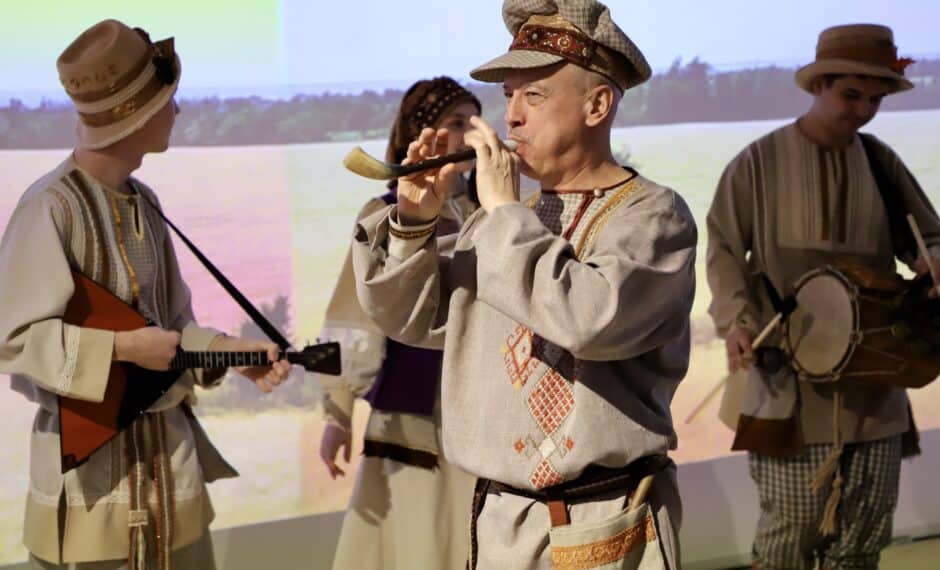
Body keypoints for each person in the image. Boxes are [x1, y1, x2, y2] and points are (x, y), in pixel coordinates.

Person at [350, 1, 698, 567]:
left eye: (533, 95)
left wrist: (505, 213)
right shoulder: (504, 222)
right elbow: (412, 318)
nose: (510, 117)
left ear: (597, 104)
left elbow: (588, 320)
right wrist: (413, 222)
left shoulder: (654, 217)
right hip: (497, 523)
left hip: (602, 518)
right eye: (508, 95)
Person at [0, 19, 291, 569]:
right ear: (136, 117)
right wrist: (123, 349)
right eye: (167, 100)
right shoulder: (50, 207)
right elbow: (14, 340)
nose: (176, 110)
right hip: (93, 490)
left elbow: (172, 326)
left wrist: (229, 351)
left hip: (168, 476)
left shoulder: (145, 201)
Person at [706, 23, 940, 570]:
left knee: (862, 538)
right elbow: (723, 249)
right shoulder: (758, 162)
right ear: (819, 86)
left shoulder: (881, 162)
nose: (862, 111)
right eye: (851, 95)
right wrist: (735, 322)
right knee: (787, 539)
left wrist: (934, 262)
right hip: (784, 379)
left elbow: (927, 237)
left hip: (876, 387)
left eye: (875, 100)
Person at [315, 76, 480, 569]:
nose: (471, 133)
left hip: (479, 410)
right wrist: (337, 413)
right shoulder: (386, 214)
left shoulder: (491, 210)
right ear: (421, 133)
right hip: (414, 417)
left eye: (475, 120)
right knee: (417, 542)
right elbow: (352, 316)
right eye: (457, 122)